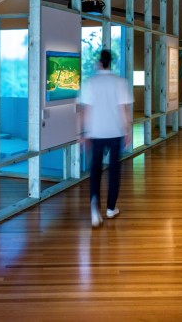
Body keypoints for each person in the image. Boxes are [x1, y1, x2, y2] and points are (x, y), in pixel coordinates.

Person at [80, 49, 132, 228]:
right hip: (115, 131)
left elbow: (86, 109)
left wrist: (84, 133)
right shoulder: (120, 82)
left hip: (96, 133)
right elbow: (124, 109)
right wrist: (128, 131)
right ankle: (111, 208)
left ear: (99, 63)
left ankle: (95, 208)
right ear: (110, 63)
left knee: (95, 171)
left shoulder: (90, 82)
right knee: (114, 171)